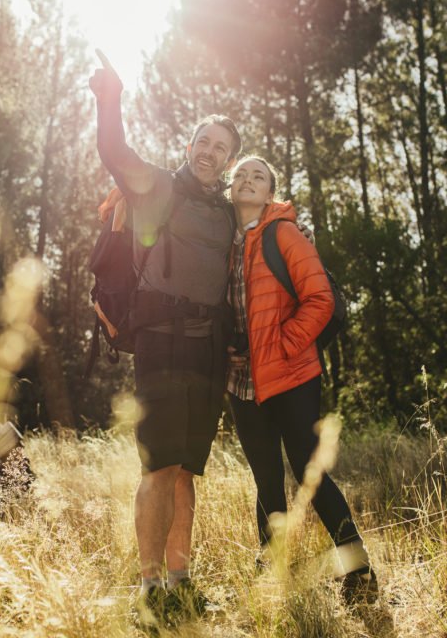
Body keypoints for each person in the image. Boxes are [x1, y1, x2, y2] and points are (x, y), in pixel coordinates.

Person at [89, 50, 240, 623]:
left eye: (221, 147)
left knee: (185, 470)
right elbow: (114, 153)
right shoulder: (157, 188)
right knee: (157, 467)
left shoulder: (227, 213)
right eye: (203, 141)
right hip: (159, 339)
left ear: (227, 160)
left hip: (206, 350)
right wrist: (111, 99)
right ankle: (150, 585)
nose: (209, 152)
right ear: (189, 147)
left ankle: (182, 578)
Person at [226, 155, 377, 604]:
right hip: (242, 382)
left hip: (292, 374)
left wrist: (280, 346)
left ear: (270, 192)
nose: (248, 180)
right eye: (240, 175)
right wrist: (227, 347)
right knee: (266, 478)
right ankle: (272, 568)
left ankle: (359, 568)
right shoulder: (223, 244)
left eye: (258, 176)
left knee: (309, 472)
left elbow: (320, 300)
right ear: (230, 189)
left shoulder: (284, 233)